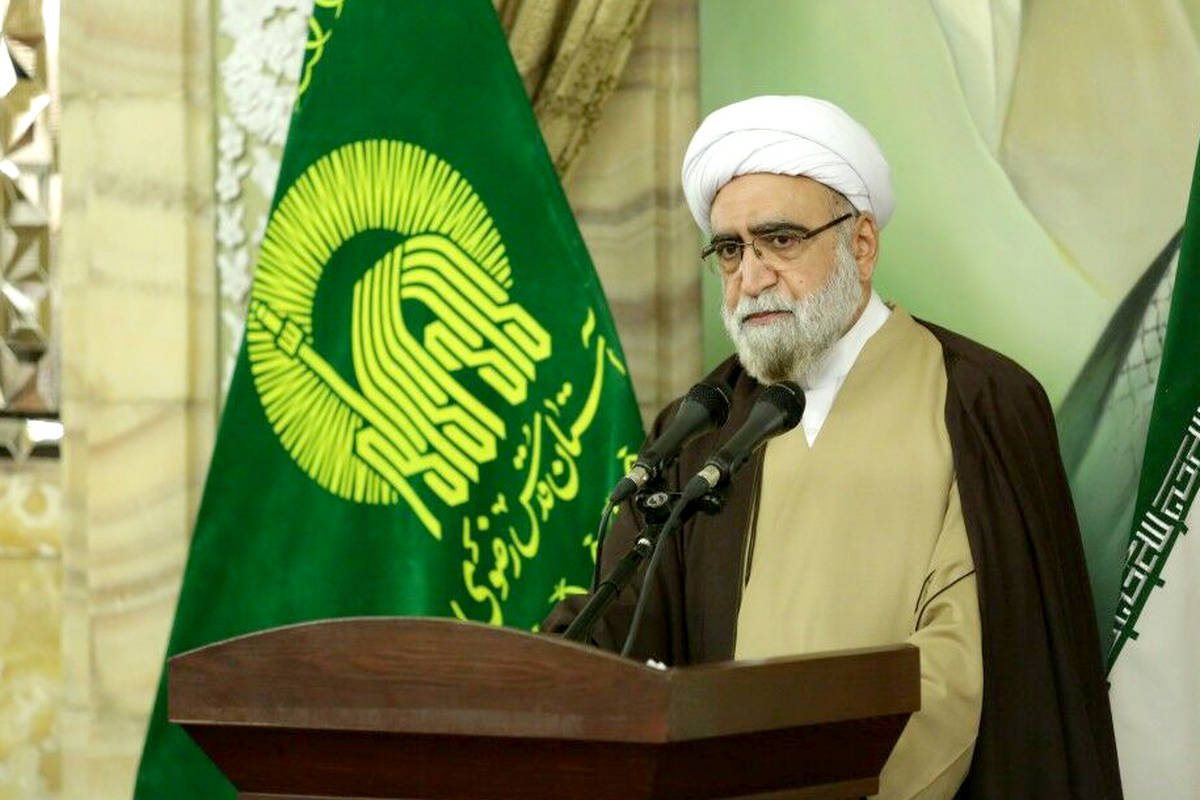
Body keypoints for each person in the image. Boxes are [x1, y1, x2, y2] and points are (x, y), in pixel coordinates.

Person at [543, 95, 1122, 800]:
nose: (752, 277)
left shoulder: (977, 403)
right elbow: (629, 630)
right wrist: (531, 681)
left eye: (780, 240)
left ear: (863, 244)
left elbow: (969, 665)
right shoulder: (700, 426)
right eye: (730, 250)